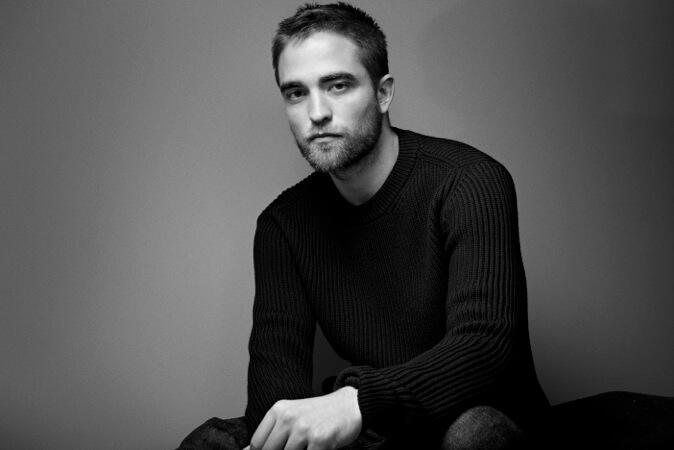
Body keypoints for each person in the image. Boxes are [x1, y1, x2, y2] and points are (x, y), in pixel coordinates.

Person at [178, 3, 548, 449]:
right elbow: (275, 393)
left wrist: (358, 400)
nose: (317, 113)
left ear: (383, 93)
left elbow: (484, 347)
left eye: (338, 85)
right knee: (212, 441)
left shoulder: (468, 182)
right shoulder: (283, 225)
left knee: (473, 434)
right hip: (381, 430)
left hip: (480, 420)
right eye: (296, 93)